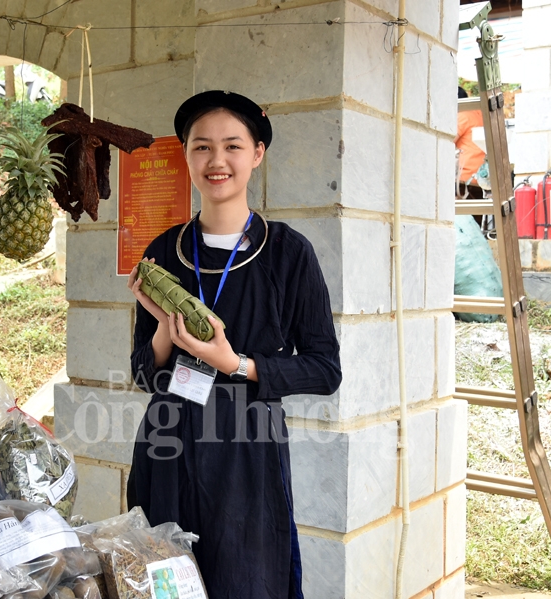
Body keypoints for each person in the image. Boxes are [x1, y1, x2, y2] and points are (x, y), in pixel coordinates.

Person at [126, 90, 342, 599]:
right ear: (186, 155)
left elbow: (324, 368)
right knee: (164, 581)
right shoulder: (164, 251)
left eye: (232, 146)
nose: (216, 161)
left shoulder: (288, 252)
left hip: (248, 451)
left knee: (246, 579)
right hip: (168, 444)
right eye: (201, 147)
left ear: (257, 153)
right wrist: (162, 327)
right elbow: (145, 374)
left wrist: (236, 364)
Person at [457, 86, 486, 185]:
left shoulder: (462, 116)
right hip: (483, 175)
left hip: (465, 177)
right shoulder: (480, 114)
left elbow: (444, 141)